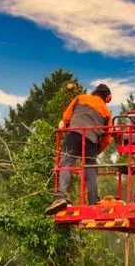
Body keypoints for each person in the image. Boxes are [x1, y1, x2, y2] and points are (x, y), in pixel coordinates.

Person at [45, 84, 113, 215]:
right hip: (91, 140)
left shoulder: (80, 98)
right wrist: (97, 150)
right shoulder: (106, 112)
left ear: (94, 92)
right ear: (107, 98)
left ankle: (61, 197)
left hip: (74, 135)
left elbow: (66, 117)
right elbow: (107, 137)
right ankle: (93, 202)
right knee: (90, 169)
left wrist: (65, 126)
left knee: (65, 164)